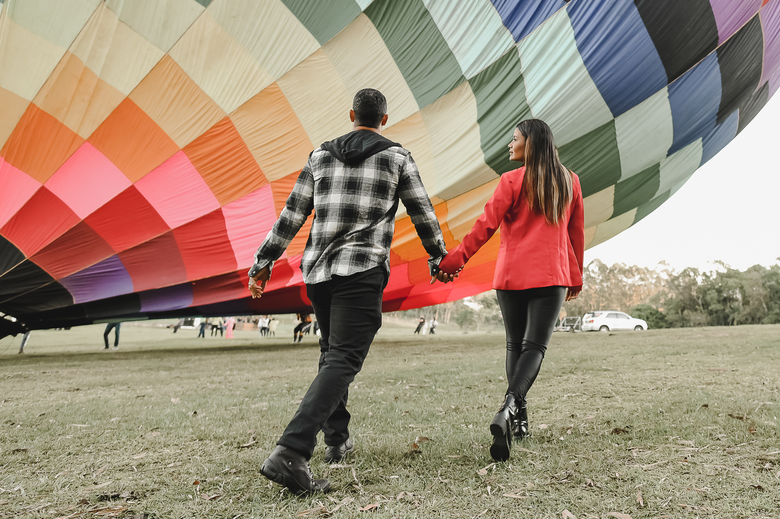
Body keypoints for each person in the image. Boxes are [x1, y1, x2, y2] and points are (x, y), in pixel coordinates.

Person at [248, 88, 447, 495]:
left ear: (352, 114)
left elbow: (292, 214)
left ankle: (336, 441)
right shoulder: (397, 157)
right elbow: (422, 212)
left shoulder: (320, 156)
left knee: (330, 353)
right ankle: (292, 449)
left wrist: (263, 262)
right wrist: (438, 258)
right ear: (384, 120)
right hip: (362, 269)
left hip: (319, 272)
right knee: (344, 356)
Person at [435, 118, 583, 462]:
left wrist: (452, 262)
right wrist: (575, 276)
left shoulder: (511, 181)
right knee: (535, 348)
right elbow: (576, 234)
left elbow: (483, 227)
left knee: (515, 345)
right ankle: (511, 410)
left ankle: (516, 418)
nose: (509, 144)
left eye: (514, 139)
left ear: (529, 143)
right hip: (552, 276)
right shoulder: (570, 180)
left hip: (511, 277)